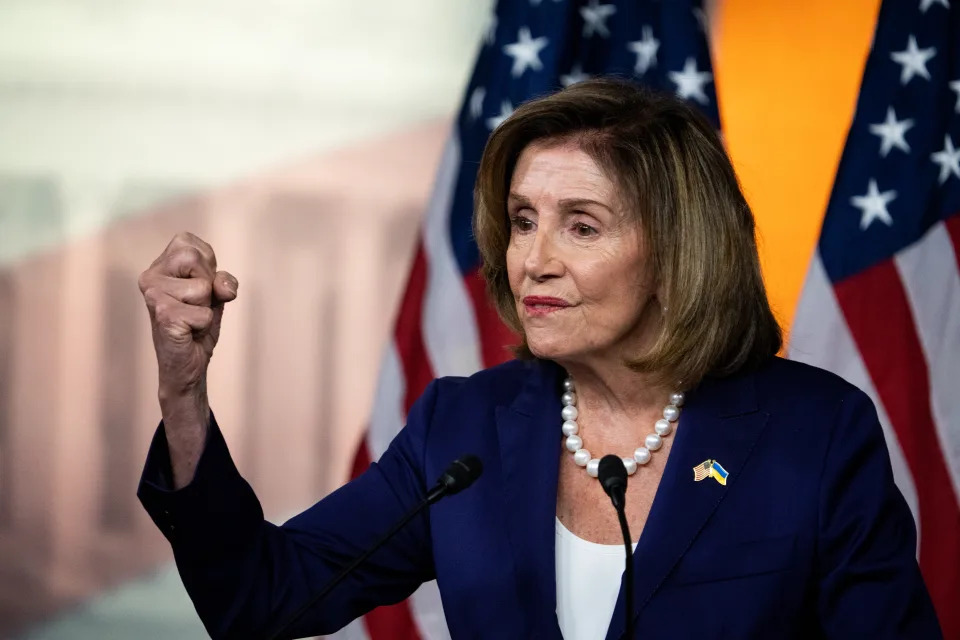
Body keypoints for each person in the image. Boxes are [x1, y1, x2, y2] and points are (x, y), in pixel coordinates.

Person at [136, 78, 943, 639]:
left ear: (677, 253)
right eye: (523, 220)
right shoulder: (465, 425)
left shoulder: (814, 432)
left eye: (581, 226)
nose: (534, 260)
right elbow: (261, 600)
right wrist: (183, 390)